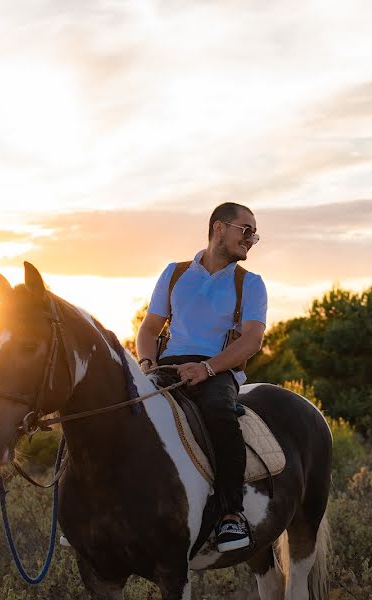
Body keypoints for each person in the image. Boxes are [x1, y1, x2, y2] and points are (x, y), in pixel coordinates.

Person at [136, 202, 267, 552]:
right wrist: (147, 363)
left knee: (221, 418)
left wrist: (208, 368)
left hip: (218, 370)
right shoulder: (175, 273)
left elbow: (252, 340)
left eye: (255, 233)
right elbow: (149, 329)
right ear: (219, 228)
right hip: (166, 368)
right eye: (246, 230)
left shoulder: (250, 284)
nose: (252, 239)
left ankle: (231, 517)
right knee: (126, 411)